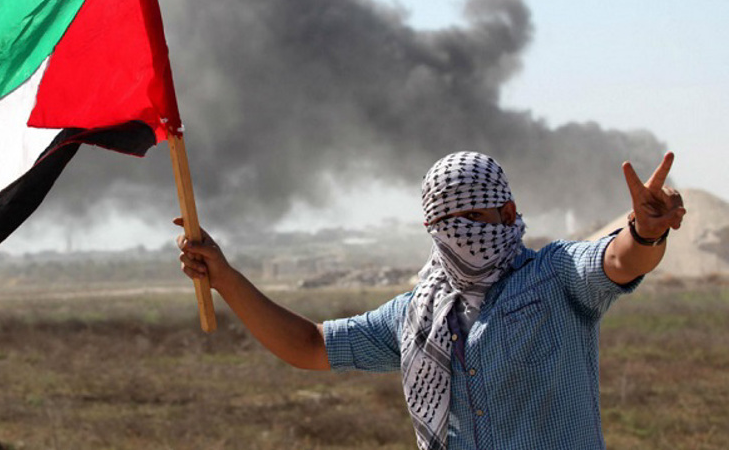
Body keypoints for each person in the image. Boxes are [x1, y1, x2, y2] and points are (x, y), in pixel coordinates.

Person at [176, 151, 686, 450]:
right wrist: (225, 277)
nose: (457, 237)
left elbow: (619, 261)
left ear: (509, 212)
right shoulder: (416, 315)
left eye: (471, 220)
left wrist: (644, 231)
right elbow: (309, 346)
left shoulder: (555, 278)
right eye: (445, 227)